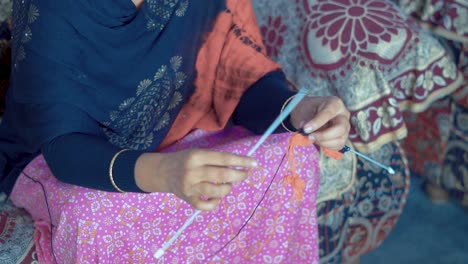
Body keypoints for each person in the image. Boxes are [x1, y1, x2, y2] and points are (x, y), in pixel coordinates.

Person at [0, 0, 350, 262]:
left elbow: (238, 76)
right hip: (64, 157)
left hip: (178, 127)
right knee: (92, 219)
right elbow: (64, 146)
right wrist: (166, 173)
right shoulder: (53, 7)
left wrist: (299, 109)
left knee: (293, 147)